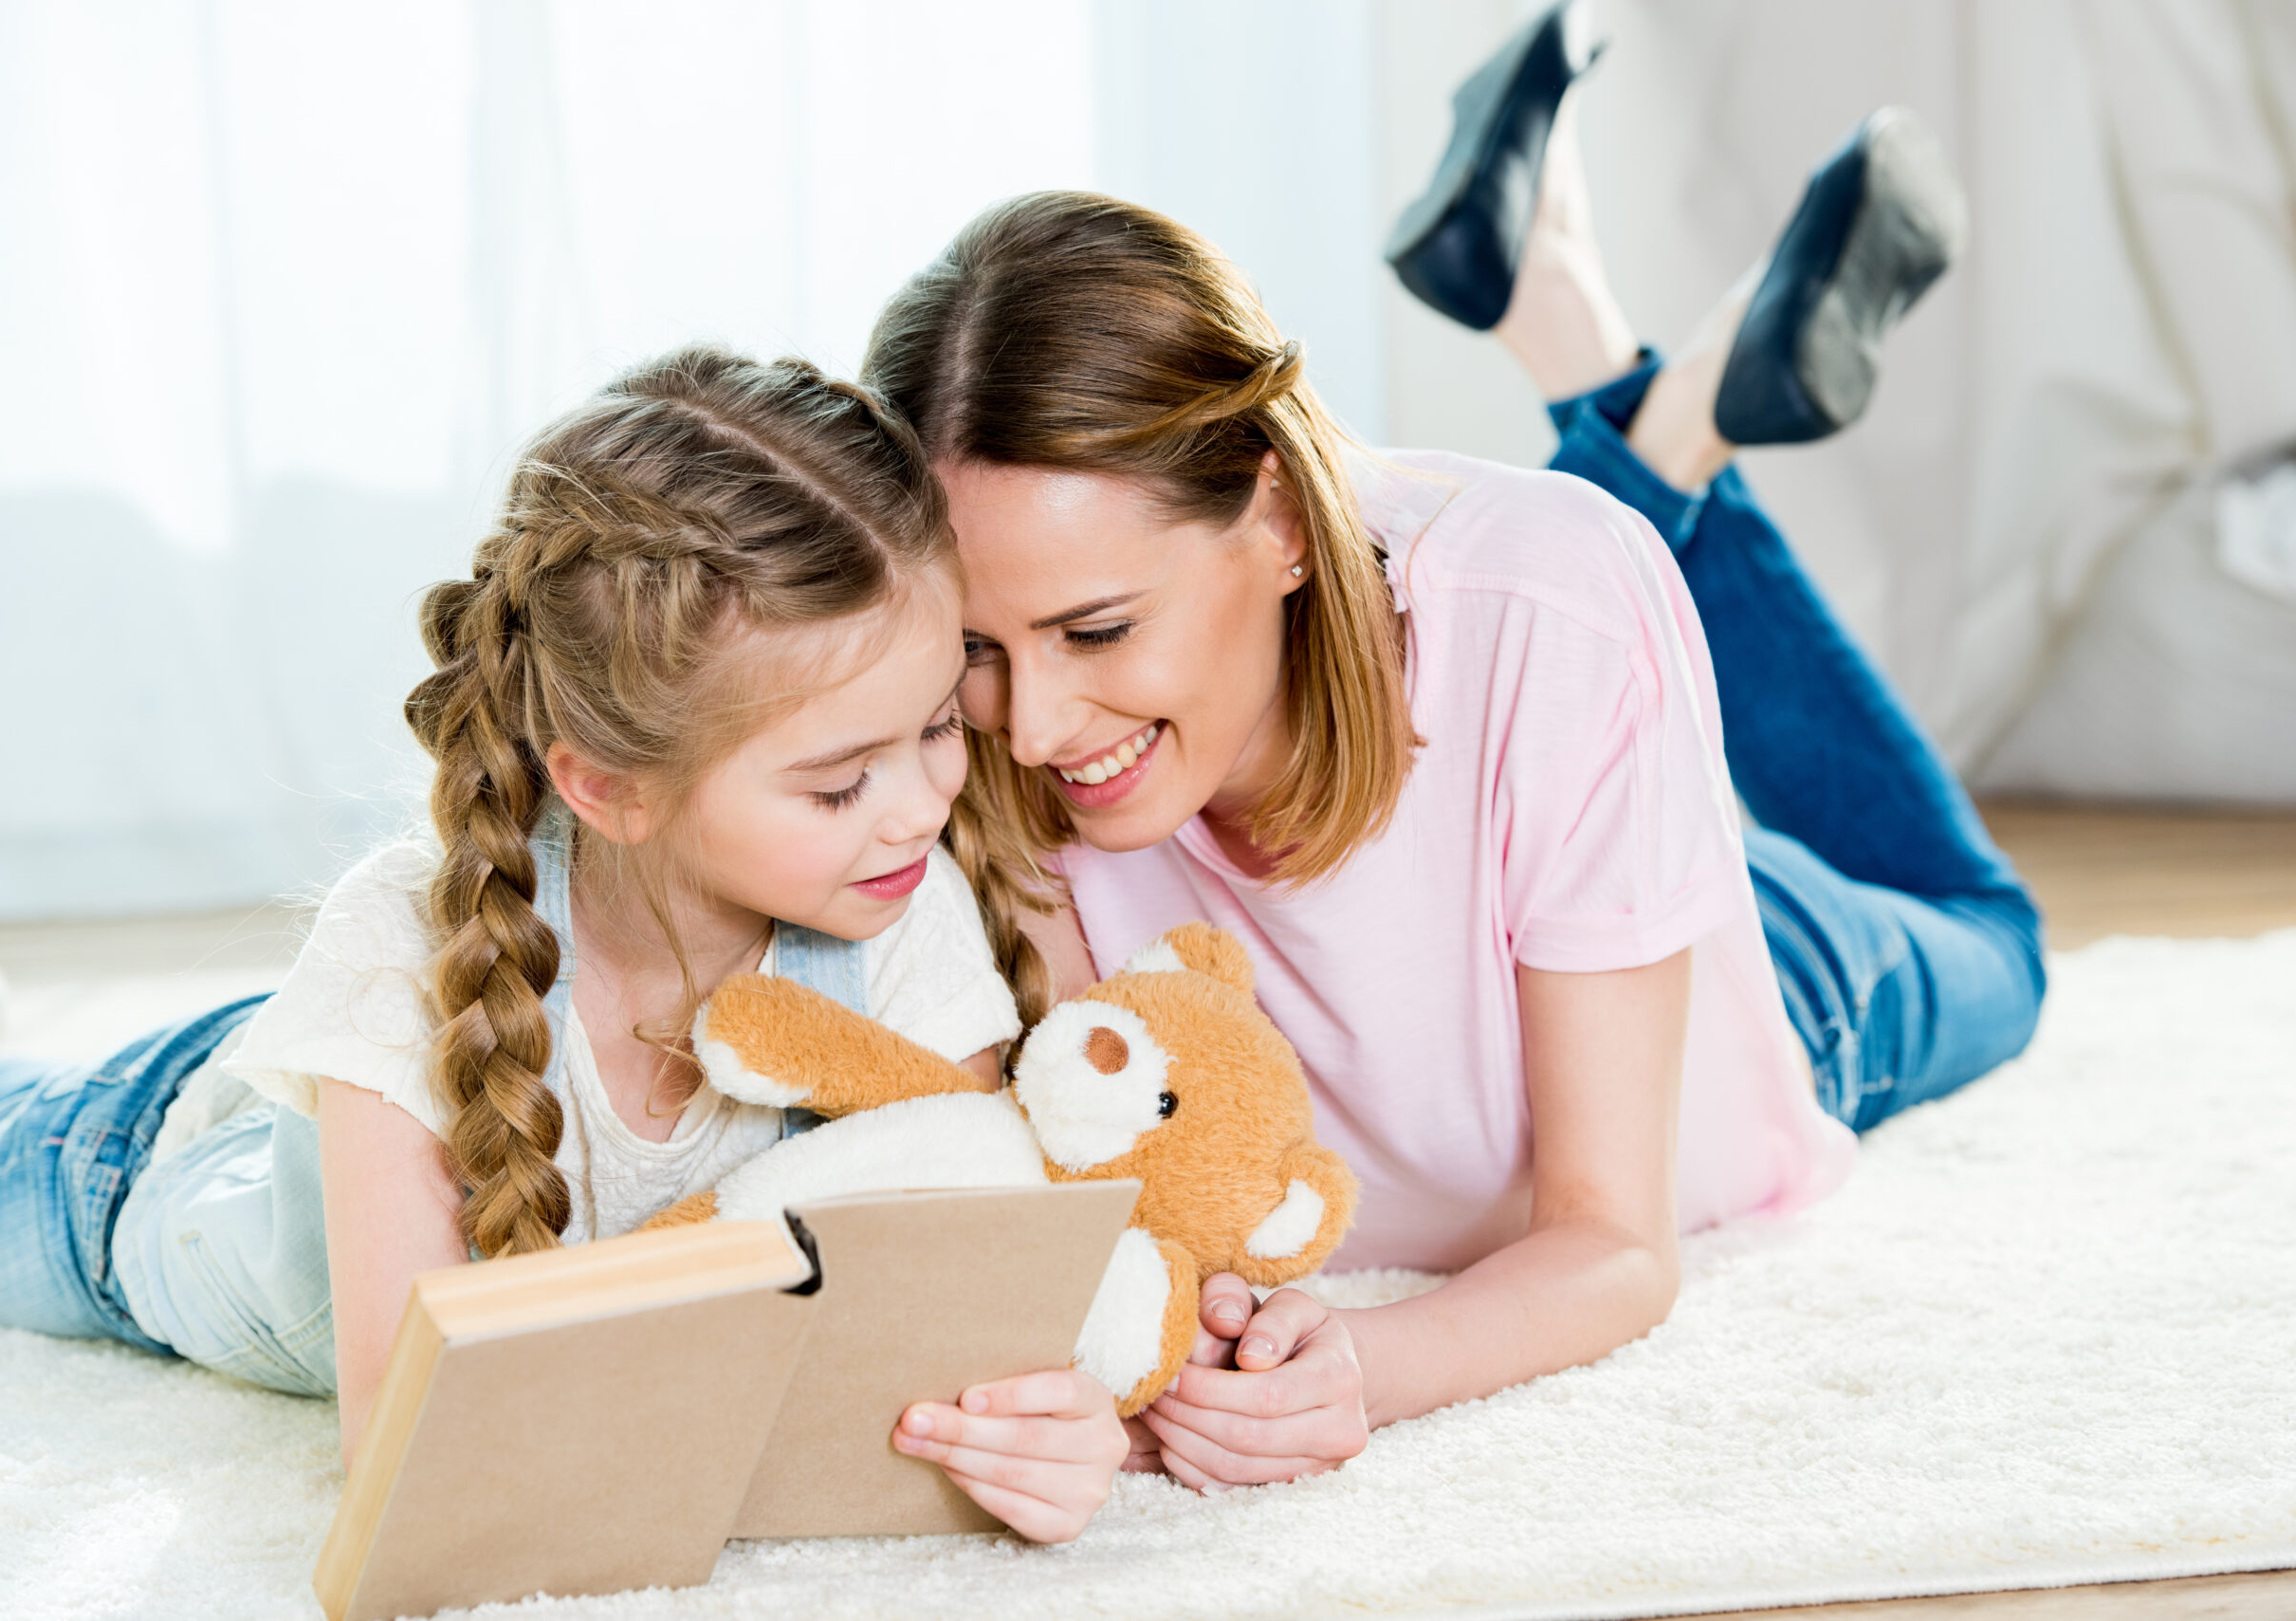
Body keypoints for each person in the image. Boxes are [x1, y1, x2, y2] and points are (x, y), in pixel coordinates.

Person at [863, 5, 2045, 1496]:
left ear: (1283, 521)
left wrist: (1373, 1365)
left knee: (1998, 942)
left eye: (1098, 630)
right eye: (982, 649)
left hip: (1739, 989)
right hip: (1543, 802)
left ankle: (1640, 399)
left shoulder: (1545, 603)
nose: (1031, 727)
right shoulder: (977, 738)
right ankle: (1604, 356)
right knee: (1570, 587)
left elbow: (1617, 1242)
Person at [0, 347, 1128, 1544]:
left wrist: (1045, 1429)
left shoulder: (901, 908)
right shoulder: (403, 943)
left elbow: (964, 1331)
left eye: (941, 722)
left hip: (330, 1065)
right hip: (142, 1162)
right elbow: (412, 1455)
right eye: (841, 782)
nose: (920, 805)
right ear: (608, 785)